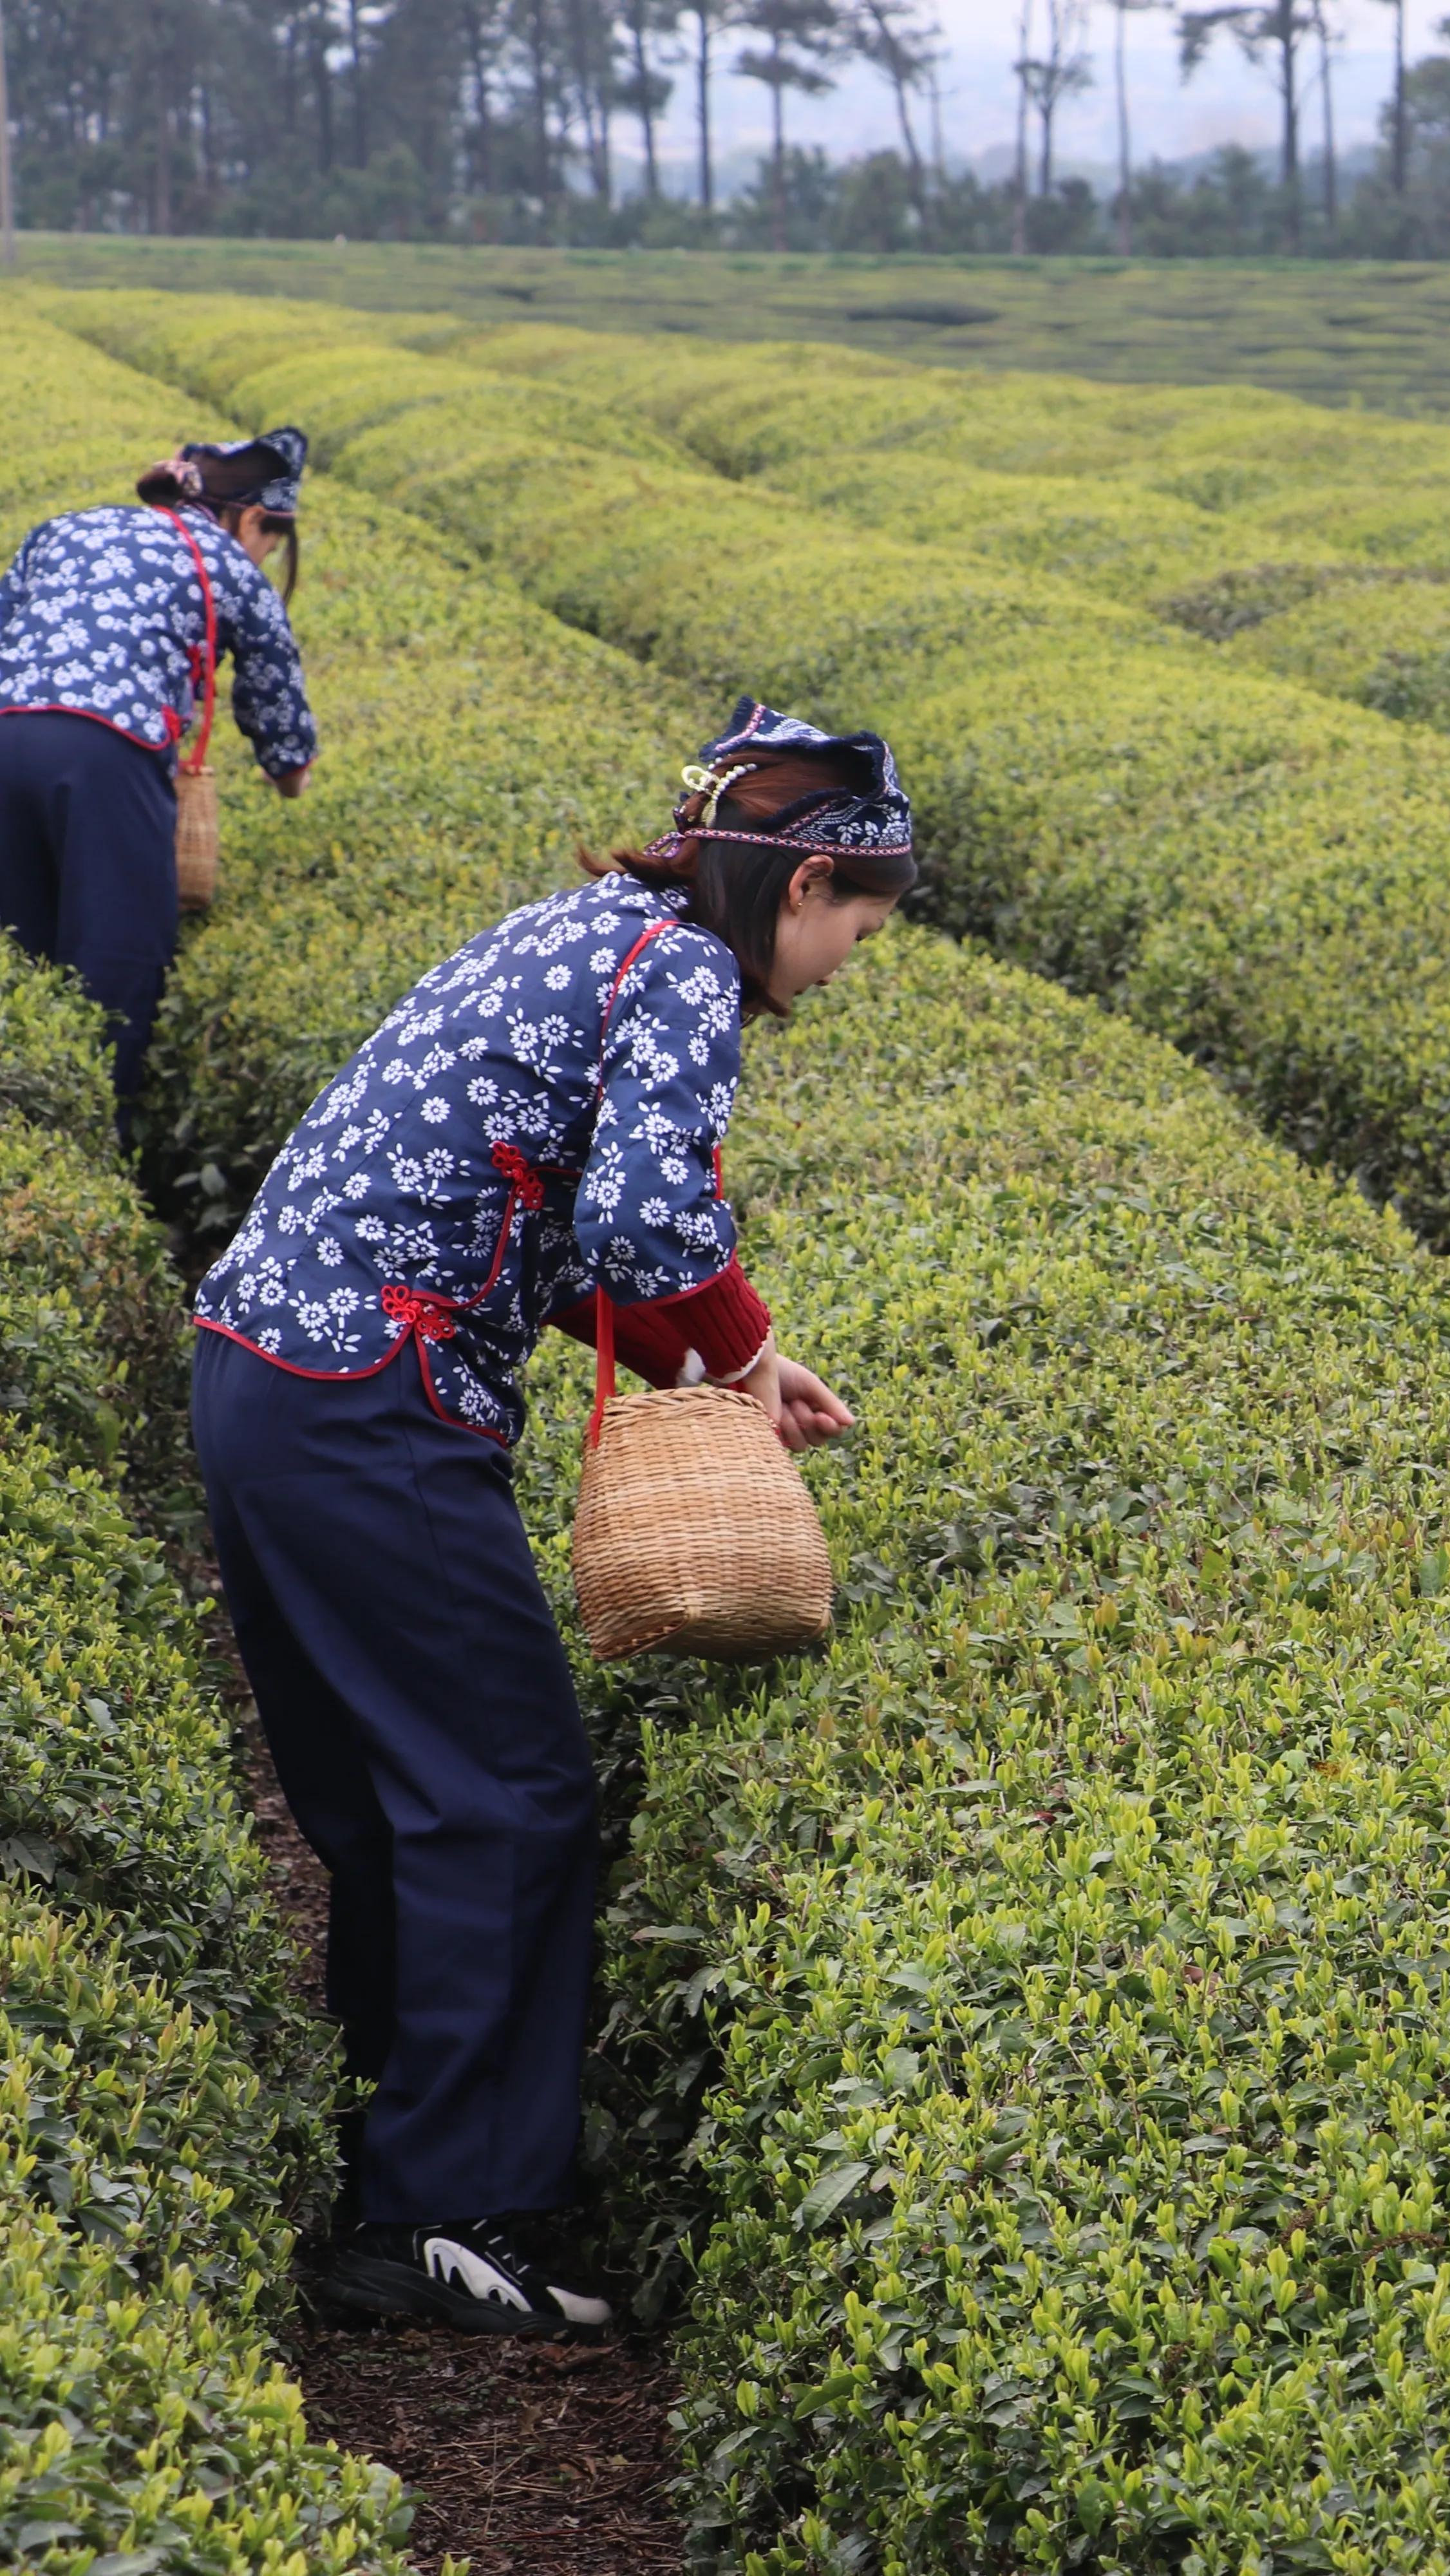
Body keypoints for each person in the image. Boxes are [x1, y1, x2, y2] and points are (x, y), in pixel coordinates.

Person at [190, 701, 914, 2338]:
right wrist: (731, 1341)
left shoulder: (586, 924)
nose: (855, 958)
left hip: (263, 1379)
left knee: (396, 1802)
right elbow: (655, 1219)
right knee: (516, 1794)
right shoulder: (683, 971)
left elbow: (570, 1223)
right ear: (799, 889)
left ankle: (395, 2170)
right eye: (862, 925)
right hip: (376, 1395)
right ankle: (453, 2211)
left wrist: (741, 1358)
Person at [0, 429, 319, 1105]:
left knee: (16, 947)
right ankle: (96, 1137)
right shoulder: (229, 565)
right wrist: (289, 774)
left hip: (4, 734)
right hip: (106, 753)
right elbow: (278, 709)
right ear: (255, 517)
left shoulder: (60, 530)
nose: (264, 554)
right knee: (117, 955)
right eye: (271, 539)